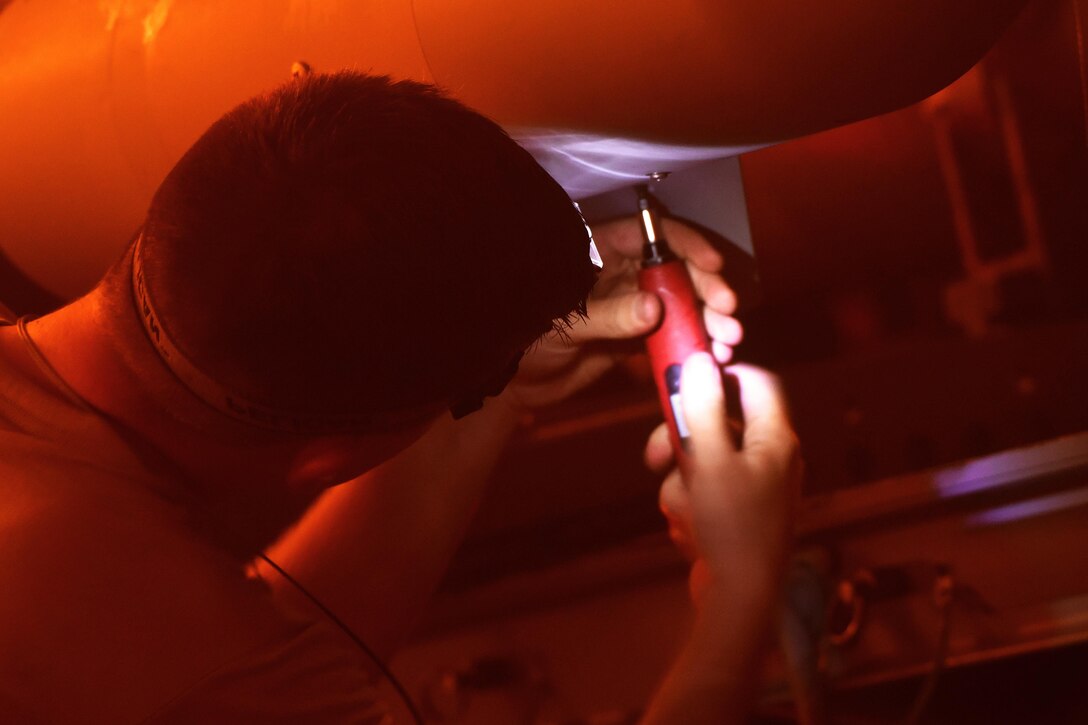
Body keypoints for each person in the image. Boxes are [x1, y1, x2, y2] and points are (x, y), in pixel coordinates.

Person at [0, 71, 800, 723]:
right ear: (328, 462)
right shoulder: (195, 667)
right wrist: (739, 597)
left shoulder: (165, 643)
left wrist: (495, 391)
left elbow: (242, 665)